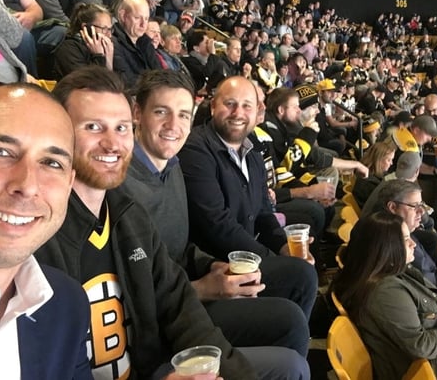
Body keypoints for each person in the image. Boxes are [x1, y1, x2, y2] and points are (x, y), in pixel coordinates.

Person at [35, 66, 295, 380]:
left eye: (120, 128)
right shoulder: (38, 236)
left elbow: (179, 305)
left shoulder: (131, 212)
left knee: (288, 354)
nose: (112, 143)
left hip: (154, 358)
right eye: (93, 127)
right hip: (156, 358)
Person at [123, 69, 311, 378]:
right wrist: (201, 288)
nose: (174, 126)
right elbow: (137, 288)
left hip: (187, 294)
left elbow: (181, 249)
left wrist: (212, 266)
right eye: (161, 112)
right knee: (290, 359)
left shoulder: (172, 164)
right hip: (165, 322)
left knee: (292, 312)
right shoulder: (123, 185)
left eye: (183, 115)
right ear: (137, 113)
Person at [0, 84, 92, 379]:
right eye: (0, 152)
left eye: (51, 163)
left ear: (69, 183)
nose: (27, 185)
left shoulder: (67, 305)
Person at [179, 76, 319, 319]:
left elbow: (264, 212)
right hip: (216, 269)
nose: (238, 113)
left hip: (247, 258)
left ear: (257, 112)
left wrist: (283, 246)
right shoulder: (196, 148)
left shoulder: (252, 152)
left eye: (246, 106)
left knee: (300, 271)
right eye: (230, 104)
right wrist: (273, 259)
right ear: (213, 106)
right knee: (302, 277)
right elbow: (217, 224)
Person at [332, 211, 437, 380]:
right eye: (405, 239)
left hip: (433, 335)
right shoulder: (385, 292)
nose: (413, 244)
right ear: (385, 247)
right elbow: (420, 346)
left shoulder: (389, 268)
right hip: (426, 367)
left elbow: (426, 296)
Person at [53, 3, 114, 79]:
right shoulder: (69, 49)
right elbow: (90, 85)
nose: (109, 35)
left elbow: (114, 85)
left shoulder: (107, 49)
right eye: (104, 29)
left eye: (110, 29)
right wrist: (98, 56)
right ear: (85, 27)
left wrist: (109, 63)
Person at [112, 0, 161, 87]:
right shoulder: (114, 43)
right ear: (123, 16)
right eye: (137, 18)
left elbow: (160, 73)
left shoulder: (146, 42)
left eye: (146, 19)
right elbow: (127, 82)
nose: (143, 24)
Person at [352, 139, 397, 209]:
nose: (391, 163)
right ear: (378, 160)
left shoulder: (371, 172)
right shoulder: (369, 183)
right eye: (388, 160)